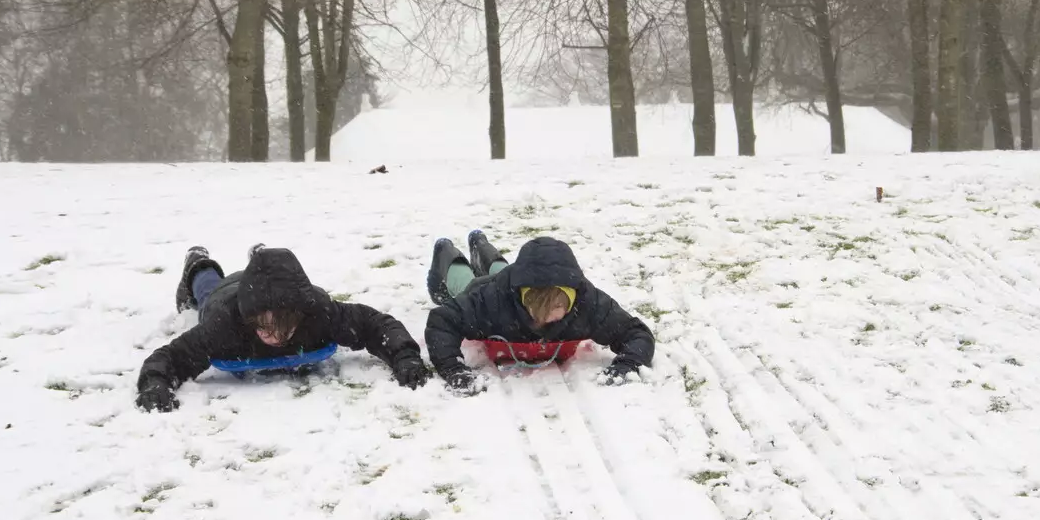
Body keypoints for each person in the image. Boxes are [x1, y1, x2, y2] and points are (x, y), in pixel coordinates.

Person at [136, 244, 430, 411]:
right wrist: (155, 384)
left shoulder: (318, 312)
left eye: (281, 328)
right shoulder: (225, 325)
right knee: (206, 289)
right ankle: (198, 263)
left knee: (275, 278)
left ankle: (261, 257)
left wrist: (404, 356)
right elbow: (173, 356)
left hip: (275, 290)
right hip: (225, 294)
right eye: (263, 329)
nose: (273, 338)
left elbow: (374, 324)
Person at [424, 230, 654, 393]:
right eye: (536, 310)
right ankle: (446, 251)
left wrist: (627, 365)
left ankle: (480, 244)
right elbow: (442, 322)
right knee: (466, 280)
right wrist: (453, 368)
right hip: (486, 286)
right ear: (523, 298)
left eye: (556, 309)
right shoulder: (491, 300)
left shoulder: (587, 302)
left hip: (510, 278)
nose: (547, 320)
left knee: (501, 270)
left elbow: (636, 333)